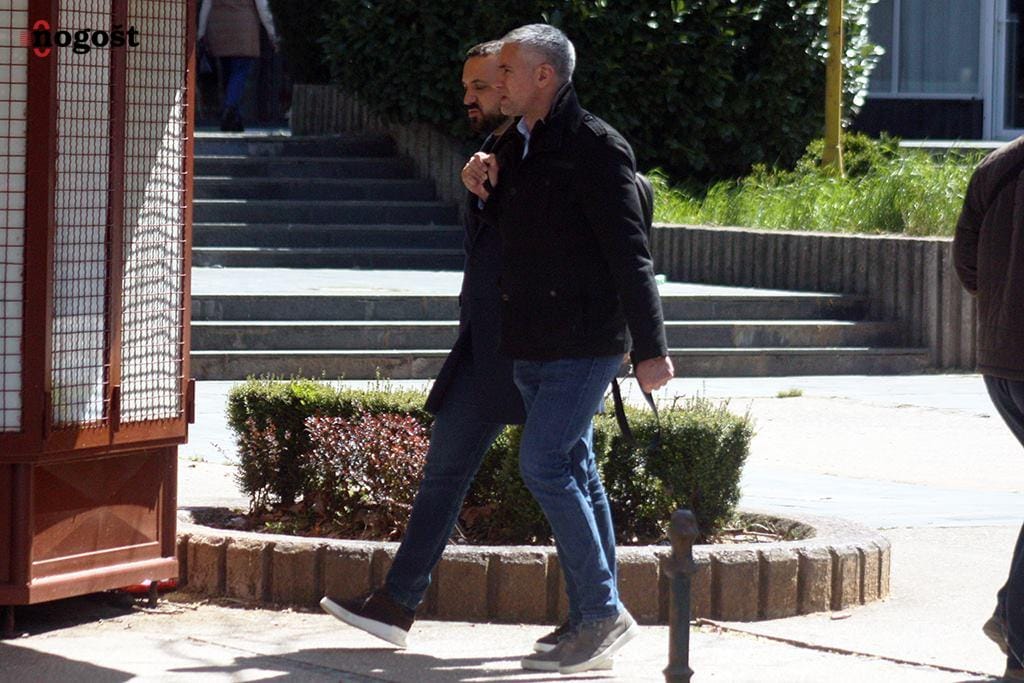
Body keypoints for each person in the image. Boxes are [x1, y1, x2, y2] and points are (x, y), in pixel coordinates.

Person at [462, 24, 674, 675]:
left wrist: (651, 348)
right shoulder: (513, 145)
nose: (497, 82)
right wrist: (478, 187)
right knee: (576, 466)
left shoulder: (596, 147)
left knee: (545, 462)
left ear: (544, 76)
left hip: (585, 340)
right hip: (531, 338)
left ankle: (603, 613)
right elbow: (503, 235)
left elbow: (631, 254)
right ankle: (593, 615)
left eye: (507, 71)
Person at [319, 40, 541, 651]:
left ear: (513, 82)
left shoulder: (546, 149)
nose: (469, 97)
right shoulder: (494, 150)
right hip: (484, 344)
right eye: (466, 86)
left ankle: (600, 611)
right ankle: (397, 603)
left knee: (565, 475)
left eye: (481, 85)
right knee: (444, 472)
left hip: (538, 345)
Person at [954, 137, 1024, 681]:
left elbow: (968, 268)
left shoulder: (999, 165)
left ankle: (1012, 626)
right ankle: (1015, 630)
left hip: (1002, 364)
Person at [197, 0, 278, 132]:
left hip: (219, 27)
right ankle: (230, 108)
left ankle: (234, 118)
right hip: (245, 29)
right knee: (240, 72)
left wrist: (201, 32)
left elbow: (207, 4)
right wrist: (272, 32)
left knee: (227, 74)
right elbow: (262, 6)